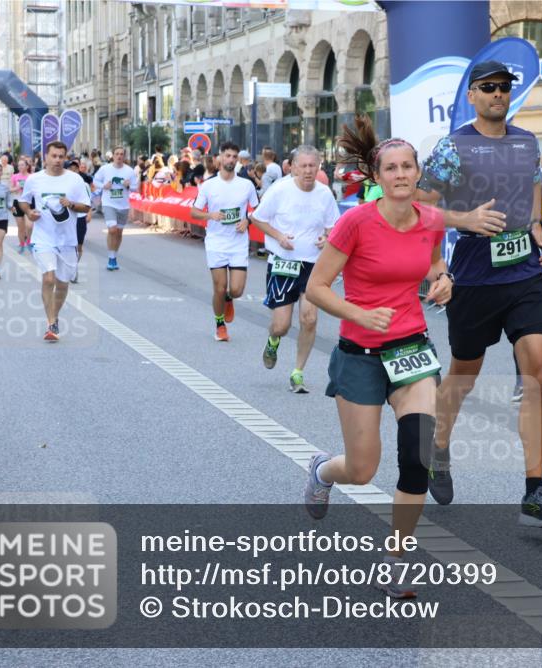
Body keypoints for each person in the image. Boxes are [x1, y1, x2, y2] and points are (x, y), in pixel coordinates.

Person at [303, 116, 453, 599]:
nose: (402, 174)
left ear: (417, 172)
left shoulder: (430, 220)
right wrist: (360, 315)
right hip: (360, 353)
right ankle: (324, 470)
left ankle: (396, 559)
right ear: (378, 175)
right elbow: (317, 287)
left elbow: (432, 260)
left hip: (411, 351)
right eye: (391, 168)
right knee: (362, 468)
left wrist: (441, 277)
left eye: (408, 166)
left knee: (415, 459)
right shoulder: (355, 223)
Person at [415, 60, 542, 527]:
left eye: (504, 87)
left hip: (523, 274)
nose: (498, 94)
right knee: (464, 373)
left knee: (538, 373)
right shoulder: (453, 146)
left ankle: (534, 493)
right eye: (489, 88)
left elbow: (536, 185)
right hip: (475, 274)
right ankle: (438, 446)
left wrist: (538, 226)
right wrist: (458, 230)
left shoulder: (526, 143)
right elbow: (423, 207)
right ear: (472, 95)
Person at [250, 145, 339, 393]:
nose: (308, 171)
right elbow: (256, 218)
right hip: (283, 263)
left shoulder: (324, 194)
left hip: (313, 264)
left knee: (309, 319)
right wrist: (278, 236)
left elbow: (334, 228)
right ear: (293, 167)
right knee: (282, 325)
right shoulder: (280, 190)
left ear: (319, 166)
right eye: (304, 166)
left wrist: (327, 238)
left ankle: (298, 372)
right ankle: (273, 340)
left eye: (313, 165)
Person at [17, 141, 91, 342]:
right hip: (43, 237)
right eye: (54, 156)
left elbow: (86, 207)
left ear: (65, 158)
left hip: (67, 239)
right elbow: (23, 200)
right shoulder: (34, 179)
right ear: (46, 157)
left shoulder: (75, 180)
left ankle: (54, 316)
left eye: (61, 156)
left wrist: (72, 204)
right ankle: (51, 323)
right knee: (49, 278)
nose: (58, 160)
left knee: (63, 283)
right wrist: (29, 212)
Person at [189, 142, 259, 342]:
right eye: (227, 156)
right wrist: (210, 215)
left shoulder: (246, 185)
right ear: (220, 158)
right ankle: (220, 324)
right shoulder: (209, 185)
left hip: (237, 243)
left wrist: (248, 220)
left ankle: (229, 299)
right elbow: (194, 211)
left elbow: (257, 209)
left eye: (234, 157)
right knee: (219, 288)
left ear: (237, 160)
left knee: (236, 290)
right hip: (216, 242)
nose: (231, 160)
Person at [92, 147, 139, 271]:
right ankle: (111, 258)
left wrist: (129, 185)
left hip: (123, 205)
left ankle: (114, 256)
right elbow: (95, 180)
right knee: (112, 230)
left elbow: (135, 187)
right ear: (112, 155)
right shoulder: (105, 169)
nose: (119, 156)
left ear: (124, 156)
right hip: (109, 204)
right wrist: (103, 186)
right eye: (117, 154)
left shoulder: (129, 171)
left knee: (119, 232)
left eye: (121, 154)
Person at [65, 159, 93, 282]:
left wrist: (89, 213)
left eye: (75, 168)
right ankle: (69, 267)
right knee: (69, 245)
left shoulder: (84, 184)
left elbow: (88, 201)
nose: (73, 170)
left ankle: (74, 267)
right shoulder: (62, 183)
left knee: (79, 245)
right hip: (67, 218)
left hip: (80, 217)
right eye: (71, 168)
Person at [10, 158, 32, 253]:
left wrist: (28, 188)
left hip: (28, 202)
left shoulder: (31, 177)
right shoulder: (14, 176)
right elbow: (10, 189)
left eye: (22, 165)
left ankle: (29, 241)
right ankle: (22, 245)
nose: (20, 167)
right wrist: (17, 188)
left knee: (29, 225)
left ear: (27, 166)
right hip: (17, 201)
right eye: (19, 165)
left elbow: (35, 190)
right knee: (21, 227)